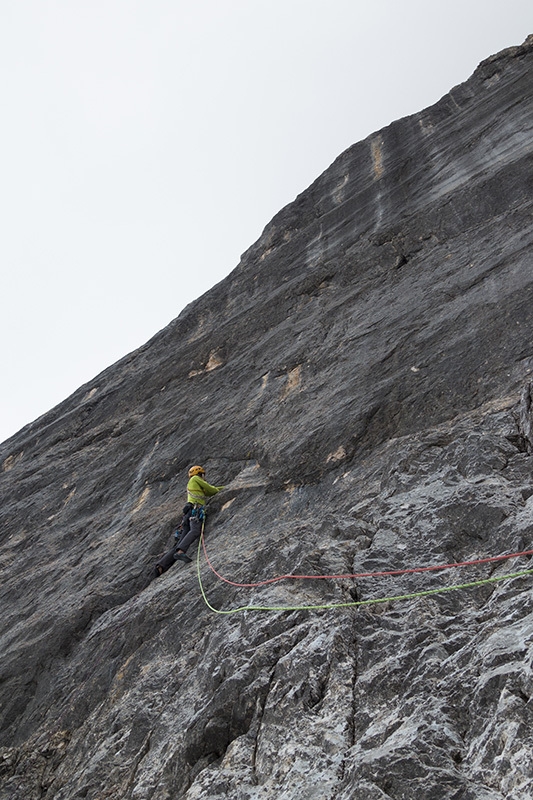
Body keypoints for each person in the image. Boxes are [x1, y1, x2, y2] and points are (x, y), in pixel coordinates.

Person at [174, 466, 224, 563]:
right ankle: (180, 551)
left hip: (193, 510)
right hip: (196, 509)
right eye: (204, 475)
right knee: (196, 530)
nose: (204, 477)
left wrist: (224, 488)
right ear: (201, 474)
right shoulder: (196, 479)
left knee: (193, 530)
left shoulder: (195, 483)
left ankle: (180, 550)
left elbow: (209, 492)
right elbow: (212, 490)